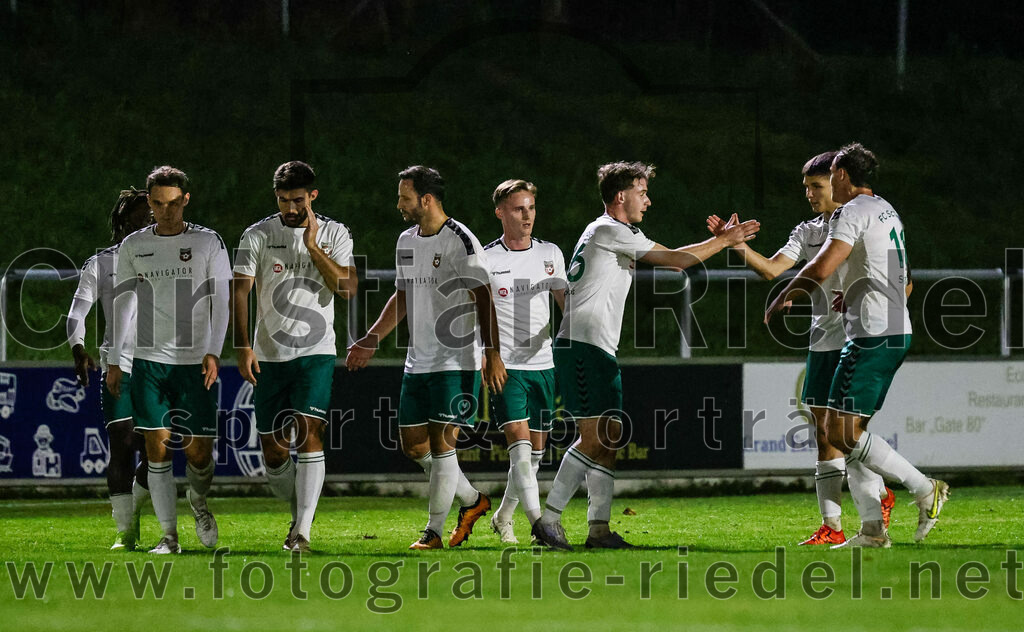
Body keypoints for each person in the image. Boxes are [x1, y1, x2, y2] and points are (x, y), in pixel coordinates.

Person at [532, 161, 761, 550]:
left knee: (610, 437)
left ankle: (599, 530)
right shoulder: (609, 229)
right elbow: (677, 261)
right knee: (595, 437)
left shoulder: (612, 232)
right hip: (583, 346)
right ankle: (549, 521)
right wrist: (725, 241)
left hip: (595, 346)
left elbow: (674, 255)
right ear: (621, 196)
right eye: (642, 192)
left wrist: (719, 240)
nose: (648, 201)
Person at [765, 143, 949, 548]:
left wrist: (787, 293)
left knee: (839, 431)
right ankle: (871, 530)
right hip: (885, 328)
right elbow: (902, 276)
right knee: (845, 430)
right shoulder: (886, 208)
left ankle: (923, 488)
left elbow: (824, 264)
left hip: (873, 333)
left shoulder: (853, 212)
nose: (827, 185)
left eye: (829, 177)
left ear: (843, 176)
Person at [707, 152, 894, 546]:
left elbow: (899, 279)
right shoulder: (808, 231)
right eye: (806, 187)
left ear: (838, 181)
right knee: (825, 435)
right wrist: (736, 245)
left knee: (846, 432)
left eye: (817, 186)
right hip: (823, 338)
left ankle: (885, 499)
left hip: (857, 336)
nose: (809, 194)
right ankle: (834, 525)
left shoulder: (863, 219)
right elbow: (774, 268)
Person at [345, 165, 507, 550]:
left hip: (456, 360)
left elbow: (484, 297)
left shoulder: (461, 241)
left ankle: (433, 532)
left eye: (405, 197)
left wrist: (492, 352)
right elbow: (402, 295)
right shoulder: (406, 240)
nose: (399, 204)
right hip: (418, 361)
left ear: (427, 200)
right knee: (413, 445)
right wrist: (371, 338)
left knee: (441, 445)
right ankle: (473, 500)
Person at [233, 161, 357, 553]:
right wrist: (242, 346)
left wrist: (312, 246)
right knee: (272, 449)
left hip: (315, 352)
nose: (290, 208)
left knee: (308, 431)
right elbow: (240, 291)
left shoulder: (335, 233)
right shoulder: (257, 235)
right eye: (283, 200)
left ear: (312, 196)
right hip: (270, 354)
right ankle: (299, 514)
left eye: (297, 200)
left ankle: (302, 530)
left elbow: (347, 288)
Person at [108, 166, 232, 554]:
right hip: (148, 360)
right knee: (156, 449)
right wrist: (115, 357)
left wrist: (214, 349)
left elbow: (223, 300)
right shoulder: (133, 246)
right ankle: (169, 536)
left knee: (198, 453)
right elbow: (123, 303)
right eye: (158, 204)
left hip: (195, 361)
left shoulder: (208, 242)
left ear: (186, 200)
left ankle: (198, 500)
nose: (166, 211)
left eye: (173, 204)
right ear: (149, 203)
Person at [66, 188, 154, 550]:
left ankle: (131, 511)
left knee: (157, 452)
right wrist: (78, 348)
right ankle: (125, 531)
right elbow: (76, 313)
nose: (150, 218)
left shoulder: (163, 255)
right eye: (142, 213)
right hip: (117, 365)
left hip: (159, 364)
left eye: (153, 213)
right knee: (121, 444)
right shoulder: (101, 263)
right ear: (123, 220)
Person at [482, 179, 566, 544]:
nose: (527, 215)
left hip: (543, 364)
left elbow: (568, 304)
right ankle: (541, 526)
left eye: (531, 207)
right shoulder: (486, 258)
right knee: (519, 450)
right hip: (507, 365)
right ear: (500, 212)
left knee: (534, 456)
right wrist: (490, 355)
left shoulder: (550, 253)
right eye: (519, 208)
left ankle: (503, 517)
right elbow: (476, 312)